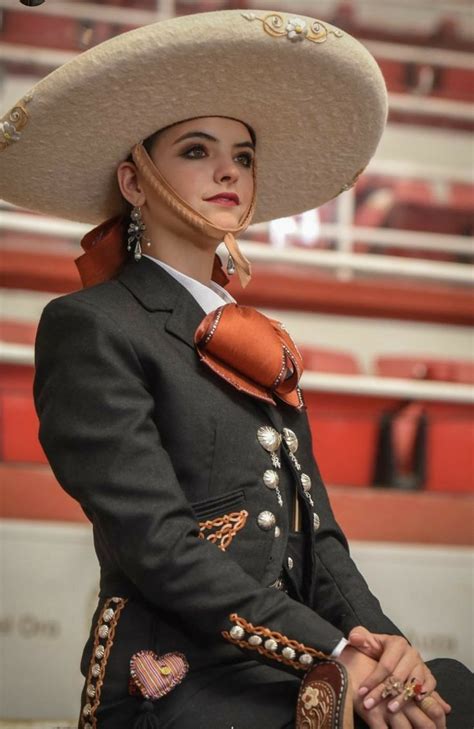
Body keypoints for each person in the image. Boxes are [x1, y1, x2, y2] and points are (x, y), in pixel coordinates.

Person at [0, 9, 471, 729]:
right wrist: (337, 647)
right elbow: (159, 546)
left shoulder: (258, 339)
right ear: (134, 180)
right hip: (176, 681)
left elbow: (320, 540)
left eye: (244, 156)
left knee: (453, 693)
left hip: (295, 662)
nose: (229, 170)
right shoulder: (92, 324)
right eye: (197, 150)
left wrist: (385, 643)